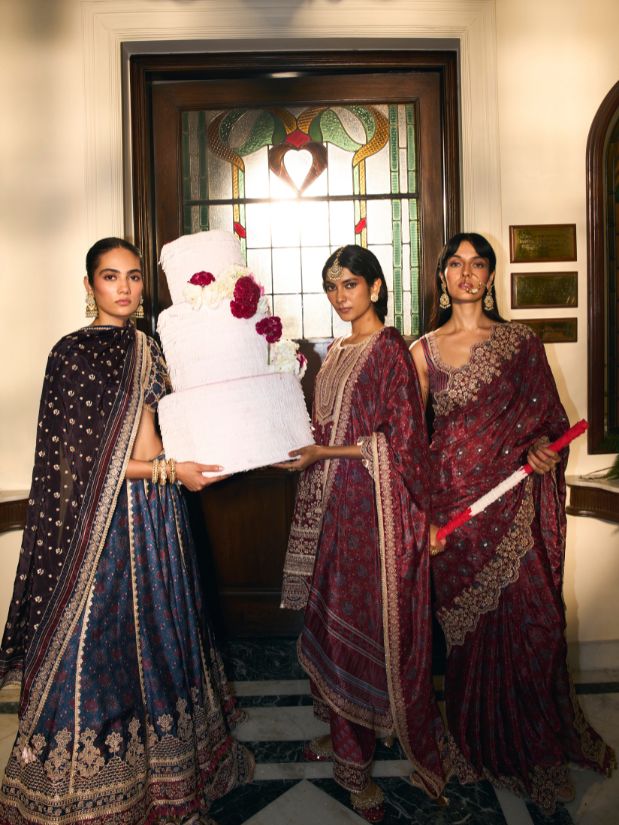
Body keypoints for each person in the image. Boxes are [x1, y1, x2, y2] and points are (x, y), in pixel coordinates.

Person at [0, 238, 254, 825]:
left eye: (134, 276)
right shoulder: (70, 354)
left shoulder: (148, 347)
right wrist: (169, 471)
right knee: (96, 650)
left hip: (158, 517)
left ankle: (169, 780)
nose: (125, 287)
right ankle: (79, 790)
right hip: (101, 525)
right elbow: (81, 463)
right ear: (89, 284)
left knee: (163, 638)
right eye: (111, 276)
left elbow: (157, 430)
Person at [410, 232, 615, 814]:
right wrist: (421, 517)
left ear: (491, 276)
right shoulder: (421, 352)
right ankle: (476, 744)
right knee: (469, 641)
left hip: (514, 507)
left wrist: (545, 450)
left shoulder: (521, 344)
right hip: (455, 513)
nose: (466, 274)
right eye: (456, 264)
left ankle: (536, 753)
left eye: (478, 264)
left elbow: (549, 423)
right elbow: (414, 443)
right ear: (442, 278)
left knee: (536, 627)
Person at [279, 245, 447, 822]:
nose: (339, 296)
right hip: (328, 505)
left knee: (359, 625)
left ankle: (355, 766)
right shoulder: (335, 351)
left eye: (349, 284)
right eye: (331, 286)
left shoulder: (388, 349)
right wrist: (295, 447)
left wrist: (323, 452)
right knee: (329, 622)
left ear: (375, 287)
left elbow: (401, 441)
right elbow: (324, 426)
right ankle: (340, 730)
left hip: (370, 511)